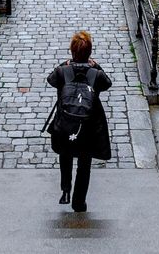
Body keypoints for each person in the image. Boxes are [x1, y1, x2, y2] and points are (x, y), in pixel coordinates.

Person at [46, 31, 112, 213]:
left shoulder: (62, 72)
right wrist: (95, 65)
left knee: (65, 155)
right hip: (88, 127)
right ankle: (79, 201)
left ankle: (65, 189)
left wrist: (65, 64)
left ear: (72, 51)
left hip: (65, 125)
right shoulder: (96, 75)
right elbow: (108, 83)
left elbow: (50, 79)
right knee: (84, 165)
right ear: (89, 52)